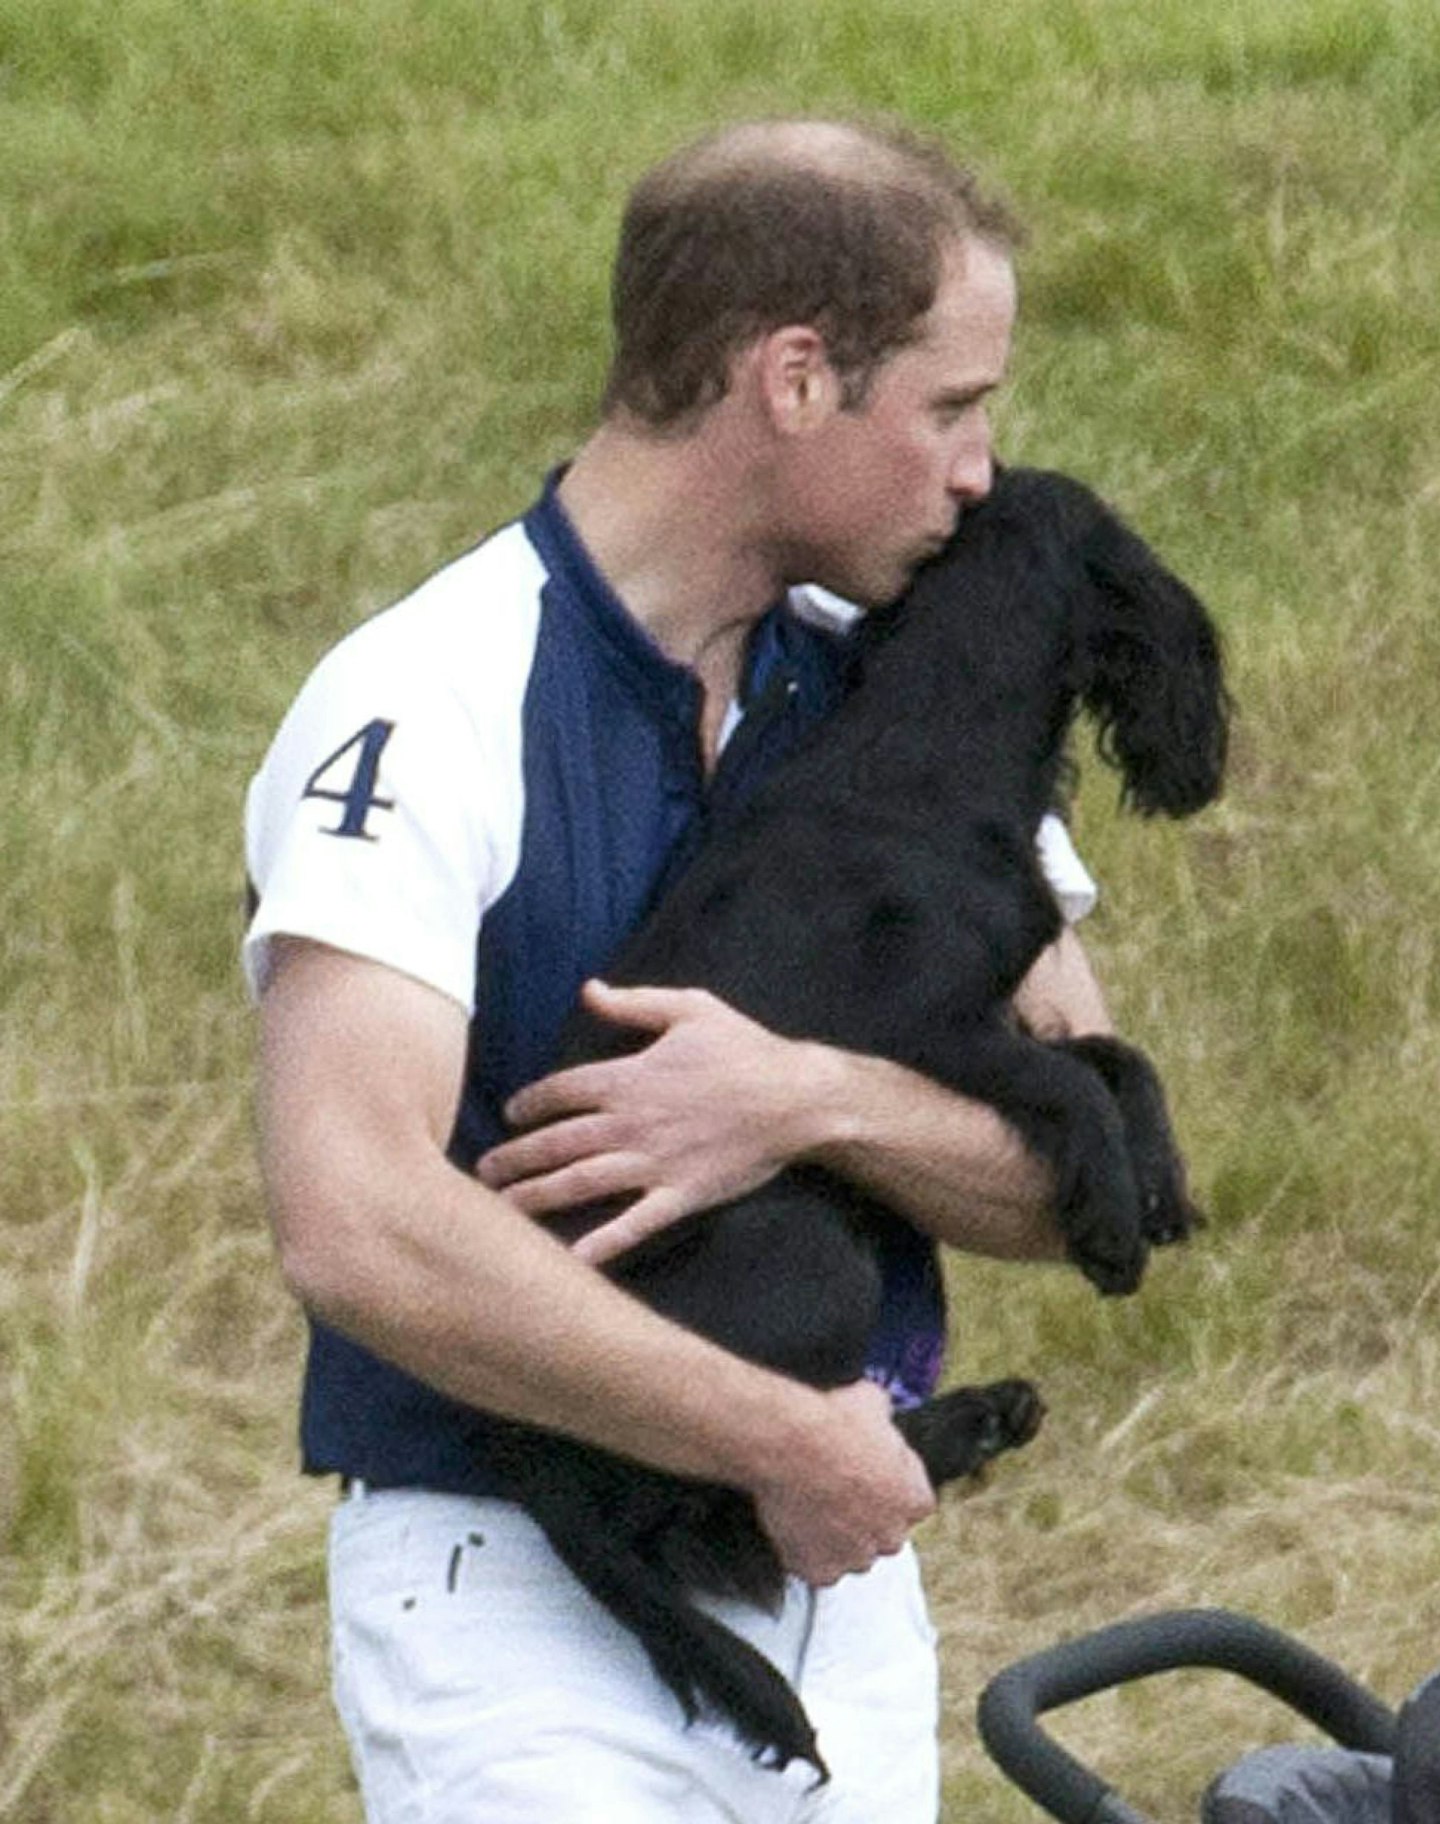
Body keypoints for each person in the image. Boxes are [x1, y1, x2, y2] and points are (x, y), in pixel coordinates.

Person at [245, 117, 1109, 1824]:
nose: (982, 472)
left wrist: (804, 1101)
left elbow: (1083, 1175)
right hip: (511, 1601)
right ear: (796, 378)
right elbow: (348, 1212)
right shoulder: (424, 699)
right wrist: (774, 1437)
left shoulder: (911, 702)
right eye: (950, 405)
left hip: (837, 1587)